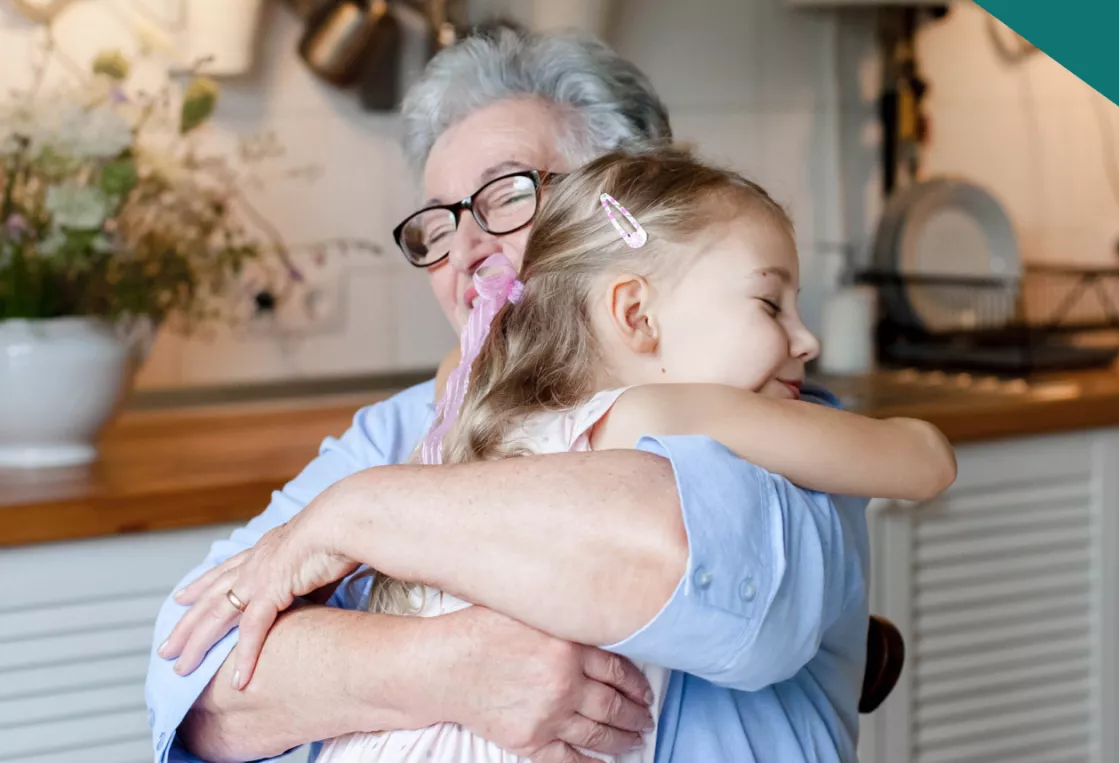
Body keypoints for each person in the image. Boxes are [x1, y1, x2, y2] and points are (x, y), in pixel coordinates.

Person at [145, 21, 917, 763]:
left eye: (505, 194)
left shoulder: (764, 412)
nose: (464, 250)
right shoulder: (403, 426)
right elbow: (194, 670)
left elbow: (665, 558)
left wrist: (357, 517)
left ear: (634, 207)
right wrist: (443, 666)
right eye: (437, 225)